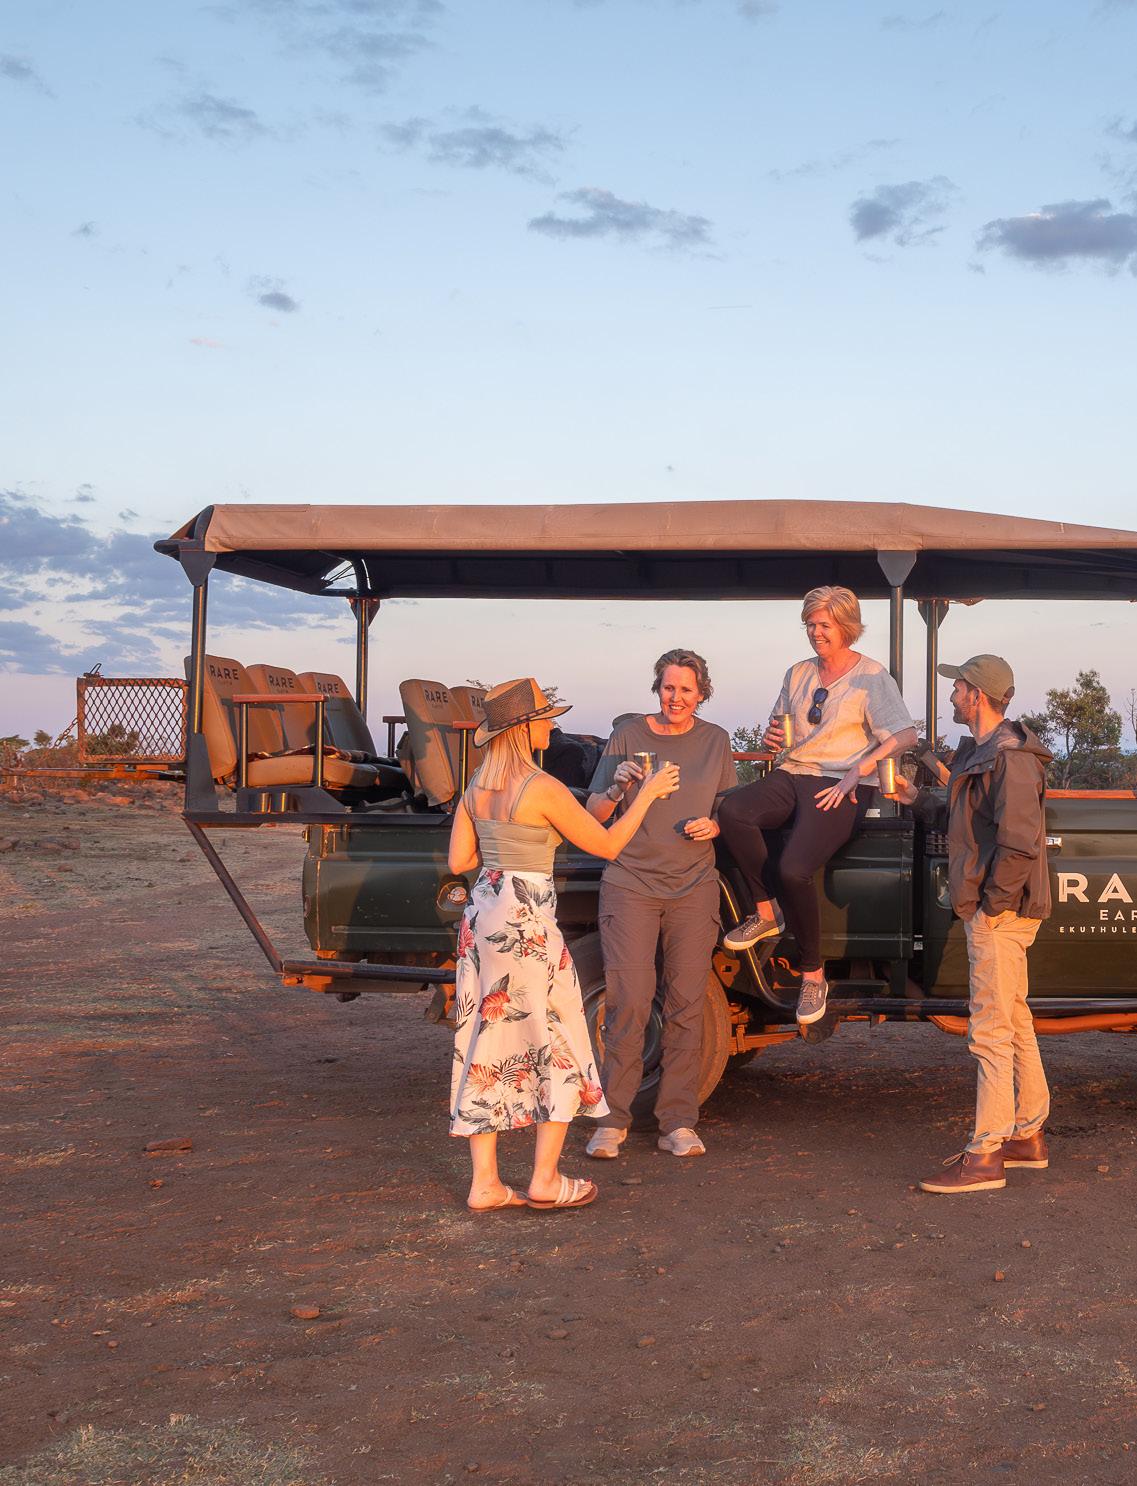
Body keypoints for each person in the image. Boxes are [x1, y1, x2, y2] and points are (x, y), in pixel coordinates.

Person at [447, 677, 677, 1212]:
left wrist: (612, 794)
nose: (553, 725)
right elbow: (607, 844)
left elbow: (460, 860)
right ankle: (545, 1180)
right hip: (527, 921)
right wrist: (646, 795)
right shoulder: (542, 786)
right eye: (545, 717)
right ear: (524, 728)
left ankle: (485, 1184)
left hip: (484, 913)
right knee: (560, 1039)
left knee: (486, 1040)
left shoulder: (478, 784)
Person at [883, 655, 1053, 1196]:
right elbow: (964, 822)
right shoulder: (981, 752)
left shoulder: (1011, 757)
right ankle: (1027, 1136)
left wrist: (993, 906)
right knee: (1014, 1019)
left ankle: (985, 1155)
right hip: (996, 909)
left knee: (990, 1029)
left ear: (977, 694)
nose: (952, 695)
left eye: (957, 687)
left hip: (1001, 914)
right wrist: (916, 799)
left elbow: (1020, 843)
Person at [716, 586, 917, 1026]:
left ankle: (813, 974)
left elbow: (905, 734)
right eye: (810, 624)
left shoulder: (871, 675)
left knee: (794, 869)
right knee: (733, 812)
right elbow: (780, 730)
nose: (815, 632)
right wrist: (772, 738)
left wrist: (858, 771)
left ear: (846, 626)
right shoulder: (798, 673)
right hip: (794, 772)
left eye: (824, 624)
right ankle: (766, 911)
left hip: (841, 783)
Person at [584, 649, 738, 1159]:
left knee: (686, 1004)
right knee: (629, 1002)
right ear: (658, 688)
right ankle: (612, 1120)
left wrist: (714, 825)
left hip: (693, 885)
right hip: (630, 881)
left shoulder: (715, 740)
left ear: (702, 693)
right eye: (669, 687)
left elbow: (726, 810)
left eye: (686, 690)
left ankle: (677, 1122)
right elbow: (594, 813)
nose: (676, 697)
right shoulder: (628, 735)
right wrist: (617, 787)